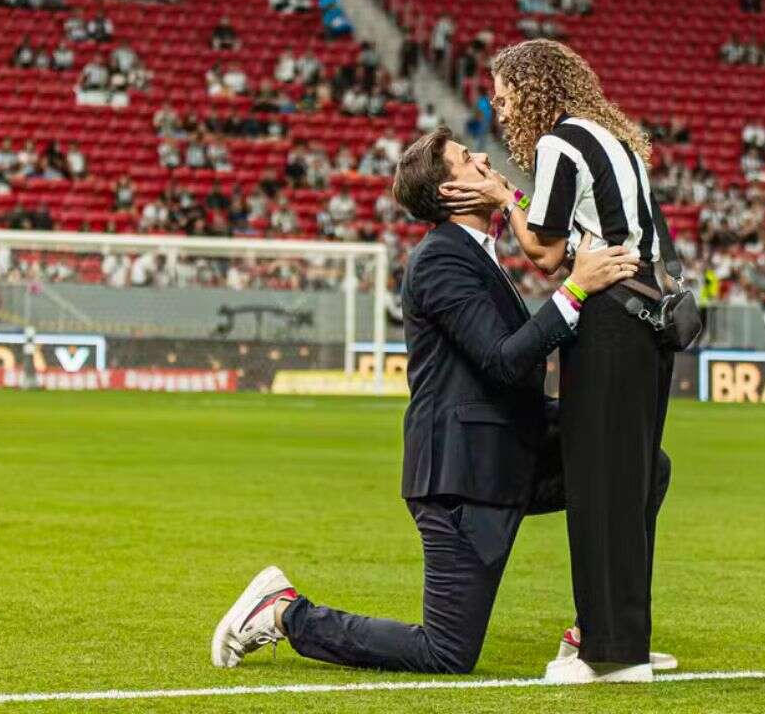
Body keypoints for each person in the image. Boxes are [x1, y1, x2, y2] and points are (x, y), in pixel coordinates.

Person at [210, 127, 668, 676]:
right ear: (451, 195)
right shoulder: (438, 261)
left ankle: (602, 629)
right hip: (463, 477)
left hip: (512, 449)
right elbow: (503, 359)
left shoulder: (478, 254)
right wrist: (575, 290)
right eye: (468, 160)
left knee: (641, 466)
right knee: (446, 653)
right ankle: (284, 613)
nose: (485, 159)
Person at [439, 39, 675, 683]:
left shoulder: (558, 142)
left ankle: (608, 653)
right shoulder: (613, 139)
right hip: (654, 320)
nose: (498, 103)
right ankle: (627, 635)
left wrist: (500, 193)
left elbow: (543, 254)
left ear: (535, 86)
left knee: (597, 482)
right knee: (628, 481)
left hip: (610, 324)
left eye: (505, 90)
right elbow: (581, 240)